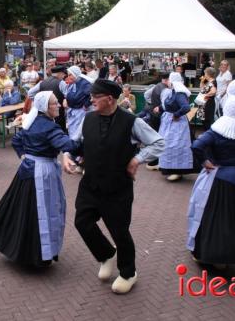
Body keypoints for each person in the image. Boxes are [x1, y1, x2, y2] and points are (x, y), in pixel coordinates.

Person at [63, 79, 164, 294]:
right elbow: (76, 143)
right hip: (90, 184)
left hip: (117, 188)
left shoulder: (131, 122)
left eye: (95, 97)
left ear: (109, 99)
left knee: (119, 231)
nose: (91, 100)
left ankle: (128, 273)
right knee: (82, 222)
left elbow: (158, 142)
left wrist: (138, 159)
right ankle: (106, 254)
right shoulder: (87, 119)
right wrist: (66, 154)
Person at [0, 91, 79, 266]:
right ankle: (36, 254)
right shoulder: (51, 127)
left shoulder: (31, 122)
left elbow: (18, 140)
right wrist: (84, 139)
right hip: (43, 172)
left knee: (23, 209)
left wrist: (24, 157)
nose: (58, 106)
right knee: (42, 210)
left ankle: (17, 247)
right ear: (44, 107)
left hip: (27, 169)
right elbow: (67, 145)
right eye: (54, 103)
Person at [187, 80, 235, 269]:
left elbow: (196, 145)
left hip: (222, 180)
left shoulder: (217, 130)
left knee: (216, 220)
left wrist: (205, 162)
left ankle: (212, 255)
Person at [158, 72, 199, 181]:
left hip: (177, 125)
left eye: (169, 80)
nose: (168, 82)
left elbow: (186, 107)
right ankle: (168, 167)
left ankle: (178, 171)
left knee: (176, 146)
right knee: (168, 145)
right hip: (170, 123)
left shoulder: (179, 93)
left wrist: (176, 115)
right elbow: (169, 104)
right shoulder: (173, 91)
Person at [28, 65, 68, 131]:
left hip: (45, 114)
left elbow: (30, 93)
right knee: (58, 133)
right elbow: (67, 97)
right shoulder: (62, 83)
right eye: (63, 74)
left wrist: (40, 102)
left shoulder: (42, 82)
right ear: (60, 73)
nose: (64, 76)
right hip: (58, 114)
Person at [63, 66, 93, 139]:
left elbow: (91, 95)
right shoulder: (74, 82)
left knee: (78, 133)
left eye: (70, 75)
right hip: (73, 111)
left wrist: (86, 105)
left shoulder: (84, 83)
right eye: (68, 75)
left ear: (75, 74)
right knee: (72, 131)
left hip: (80, 112)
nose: (68, 77)